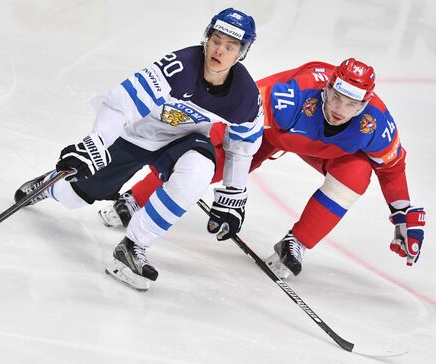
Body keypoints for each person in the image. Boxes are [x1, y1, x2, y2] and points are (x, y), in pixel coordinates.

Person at [100, 58, 427, 279]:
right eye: (337, 97)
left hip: (328, 152)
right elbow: (232, 121)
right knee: (209, 162)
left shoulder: (376, 126)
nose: (340, 109)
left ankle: (296, 243)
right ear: (326, 88)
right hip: (269, 133)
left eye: (352, 103)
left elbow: (392, 168)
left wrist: (402, 214)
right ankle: (136, 198)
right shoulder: (292, 98)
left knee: (358, 173)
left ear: (366, 105)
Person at [14, 8, 264, 290]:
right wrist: (95, 143)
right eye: (216, 40)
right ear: (207, 37)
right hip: (137, 135)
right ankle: (50, 186)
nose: (219, 50)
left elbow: (242, 147)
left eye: (230, 46)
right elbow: (121, 102)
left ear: (242, 52)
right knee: (76, 197)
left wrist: (233, 192)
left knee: (199, 171)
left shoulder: (245, 95)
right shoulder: (180, 67)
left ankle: (133, 246)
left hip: (183, 141)